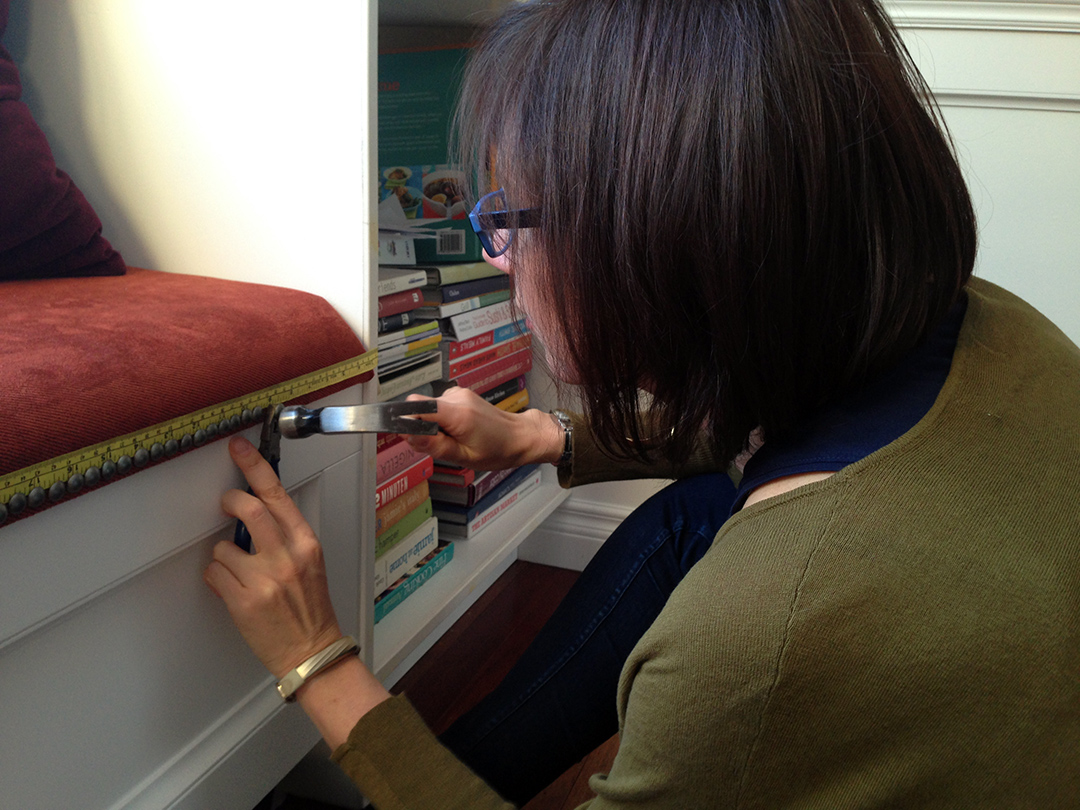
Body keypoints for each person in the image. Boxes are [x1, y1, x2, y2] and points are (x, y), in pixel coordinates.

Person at [203, 0, 1080, 807]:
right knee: (696, 514)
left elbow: (772, 618)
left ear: (655, 237)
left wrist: (316, 662)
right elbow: (769, 425)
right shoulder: (991, 324)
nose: (499, 256)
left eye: (509, 218)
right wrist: (543, 437)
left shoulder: (753, 645)